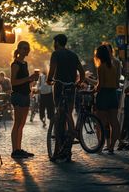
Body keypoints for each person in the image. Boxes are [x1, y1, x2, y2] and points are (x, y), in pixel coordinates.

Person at [47, 34, 85, 162]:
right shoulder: (73, 55)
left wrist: (48, 79)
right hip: (71, 88)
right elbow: (82, 72)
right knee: (68, 113)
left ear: (57, 42)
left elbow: (52, 71)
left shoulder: (56, 54)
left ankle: (57, 150)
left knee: (59, 117)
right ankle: (69, 147)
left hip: (59, 87)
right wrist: (79, 82)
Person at [10, 41, 39, 158]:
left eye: (27, 48)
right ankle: (14, 150)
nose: (26, 50)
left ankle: (19, 149)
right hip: (18, 96)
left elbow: (24, 81)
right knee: (17, 123)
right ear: (19, 49)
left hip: (26, 95)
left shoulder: (24, 63)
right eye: (24, 48)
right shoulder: (15, 64)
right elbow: (13, 82)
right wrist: (28, 78)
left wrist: (32, 80)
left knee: (22, 124)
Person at [94, 44, 120, 155]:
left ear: (99, 55)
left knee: (101, 122)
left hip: (103, 95)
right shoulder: (113, 66)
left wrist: (93, 90)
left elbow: (100, 85)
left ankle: (100, 146)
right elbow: (116, 82)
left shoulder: (101, 67)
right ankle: (111, 147)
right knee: (114, 122)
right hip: (113, 94)